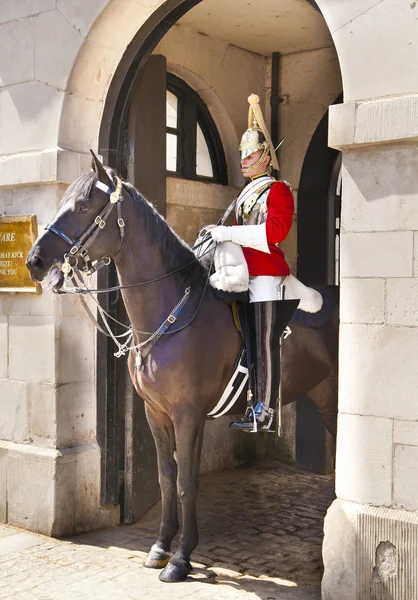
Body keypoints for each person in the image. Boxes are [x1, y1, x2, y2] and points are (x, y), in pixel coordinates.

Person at [210, 94, 299, 432]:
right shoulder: (243, 194)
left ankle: (264, 410)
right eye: (242, 155)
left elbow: (275, 233)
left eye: (250, 155)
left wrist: (231, 233)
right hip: (240, 273)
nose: (244, 160)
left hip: (265, 274)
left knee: (264, 340)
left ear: (265, 157)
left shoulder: (278, 191)